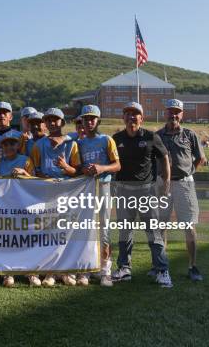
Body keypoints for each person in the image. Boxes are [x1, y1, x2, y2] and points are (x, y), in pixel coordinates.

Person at [111, 102, 173, 288]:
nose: (131, 117)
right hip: (124, 191)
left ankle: (162, 270)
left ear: (141, 118)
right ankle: (124, 268)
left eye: (135, 114)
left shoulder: (151, 136)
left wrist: (166, 182)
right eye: (128, 114)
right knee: (125, 233)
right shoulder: (116, 138)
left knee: (153, 233)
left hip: (147, 192)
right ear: (123, 118)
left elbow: (164, 158)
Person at [29, 108, 81, 287]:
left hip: (68, 193)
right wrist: (47, 179)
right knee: (49, 233)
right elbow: (35, 172)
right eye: (49, 120)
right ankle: (50, 273)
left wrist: (66, 167)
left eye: (55, 120)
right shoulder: (39, 145)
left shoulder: (71, 144)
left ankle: (66, 271)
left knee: (66, 233)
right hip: (47, 194)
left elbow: (76, 172)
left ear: (62, 122)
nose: (52, 123)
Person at [156, 99, 206, 282]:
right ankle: (160, 266)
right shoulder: (158, 135)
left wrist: (188, 171)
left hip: (185, 184)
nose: (173, 115)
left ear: (182, 114)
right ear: (166, 113)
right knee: (161, 226)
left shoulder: (189, 134)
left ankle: (192, 266)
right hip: (162, 184)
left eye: (177, 112)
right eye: (171, 111)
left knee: (189, 227)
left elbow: (200, 158)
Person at [77, 105, 121, 287]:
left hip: (103, 186)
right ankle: (87, 269)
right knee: (86, 229)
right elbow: (76, 167)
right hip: (86, 189)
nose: (89, 122)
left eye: (92, 118)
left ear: (98, 121)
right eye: (86, 119)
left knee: (104, 230)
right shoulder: (79, 143)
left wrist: (102, 168)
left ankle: (105, 271)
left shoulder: (106, 140)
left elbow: (117, 165)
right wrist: (83, 169)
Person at [0, 135, 36, 287]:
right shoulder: (0, 163)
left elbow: (37, 182)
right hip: (7, 205)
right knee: (8, 240)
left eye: (12, 144)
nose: (9, 147)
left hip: (25, 205)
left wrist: (25, 174)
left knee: (27, 239)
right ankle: (8, 273)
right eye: (6, 145)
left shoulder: (26, 160)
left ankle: (31, 272)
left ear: (18, 146)